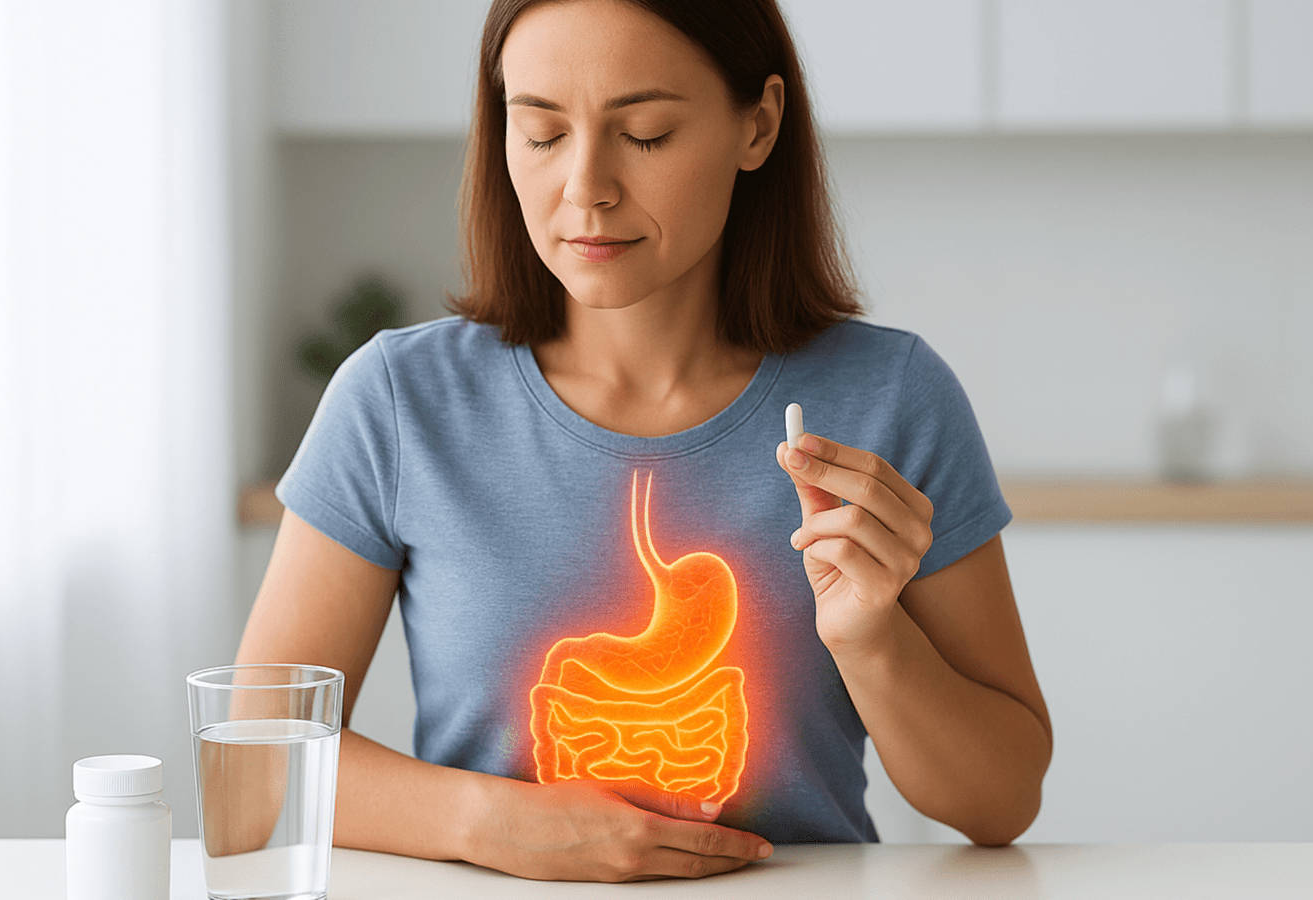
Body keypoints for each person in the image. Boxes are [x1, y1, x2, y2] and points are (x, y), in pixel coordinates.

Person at [236, 0, 1052, 882]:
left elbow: (1001, 801)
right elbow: (255, 769)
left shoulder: (891, 398)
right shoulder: (398, 403)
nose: (585, 187)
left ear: (758, 123)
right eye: (542, 134)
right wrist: (488, 820)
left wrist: (871, 640)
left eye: (649, 134)